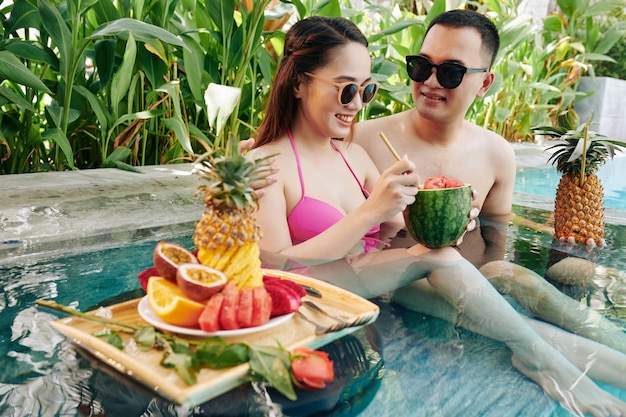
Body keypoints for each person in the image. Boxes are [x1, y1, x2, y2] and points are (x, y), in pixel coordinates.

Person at [248, 14, 626, 417]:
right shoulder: (267, 165)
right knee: (437, 258)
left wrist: (450, 218)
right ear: (298, 82)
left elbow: (399, 225)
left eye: (366, 90)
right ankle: (544, 363)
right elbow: (273, 265)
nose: (356, 105)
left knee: (496, 319)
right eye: (345, 92)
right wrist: (371, 211)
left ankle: (601, 366)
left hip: (371, 276)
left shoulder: (352, 154)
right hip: (310, 287)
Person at [353, 10, 626, 354]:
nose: (431, 82)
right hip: (394, 287)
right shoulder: (363, 139)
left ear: (484, 84)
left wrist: (563, 250)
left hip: (464, 283)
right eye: (421, 66)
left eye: (451, 72)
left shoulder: (496, 154)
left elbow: (496, 241)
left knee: (522, 278)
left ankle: (617, 350)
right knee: (525, 333)